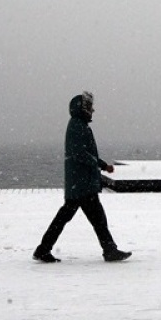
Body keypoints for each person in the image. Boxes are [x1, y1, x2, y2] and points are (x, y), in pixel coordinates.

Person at [33, 92, 131, 262]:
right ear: (82, 109)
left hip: (81, 184)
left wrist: (102, 165)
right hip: (81, 184)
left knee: (78, 218)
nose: (93, 110)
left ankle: (43, 249)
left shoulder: (79, 125)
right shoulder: (77, 126)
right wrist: (98, 164)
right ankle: (109, 250)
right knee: (94, 219)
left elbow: (85, 154)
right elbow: (79, 153)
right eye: (90, 106)